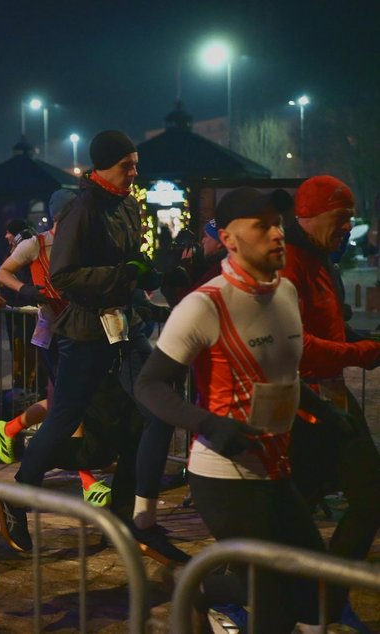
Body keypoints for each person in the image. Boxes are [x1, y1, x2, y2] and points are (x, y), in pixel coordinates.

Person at [134, 186, 349, 632]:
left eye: (279, 223)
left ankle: (199, 583)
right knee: (272, 598)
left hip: (277, 468)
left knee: (315, 588)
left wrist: (324, 414)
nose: (278, 233)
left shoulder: (286, 291)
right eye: (263, 225)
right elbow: (150, 384)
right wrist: (209, 424)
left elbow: (281, 377)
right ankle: (202, 586)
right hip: (223, 475)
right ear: (229, 239)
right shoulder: (203, 305)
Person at [0, 130, 187, 565]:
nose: (135, 173)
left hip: (124, 326)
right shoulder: (81, 211)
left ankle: (127, 517)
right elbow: (62, 277)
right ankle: (17, 497)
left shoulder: (130, 205)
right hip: (83, 332)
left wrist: (148, 274)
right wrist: (125, 274)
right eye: (127, 166)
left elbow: (132, 260)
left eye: (136, 164)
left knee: (151, 411)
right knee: (64, 418)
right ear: (102, 167)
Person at [280, 175, 380, 623]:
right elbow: (298, 343)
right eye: (341, 218)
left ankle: (324, 596)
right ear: (310, 215)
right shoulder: (289, 263)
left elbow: (333, 328)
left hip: (331, 393)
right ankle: (294, 599)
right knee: (295, 509)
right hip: (301, 399)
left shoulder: (322, 258)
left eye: (351, 218)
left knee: (364, 495)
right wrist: (366, 351)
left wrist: (367, 344)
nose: (347, 227)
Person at [0, 188, 112, 507]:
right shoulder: (36, 243)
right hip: (54, 334)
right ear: (63, 216)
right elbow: (3, 272)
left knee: (67, 403)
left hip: (83, 332)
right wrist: (26, 289)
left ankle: (10, 428)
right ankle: (87, 481)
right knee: (70, 406)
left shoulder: (83, 244)